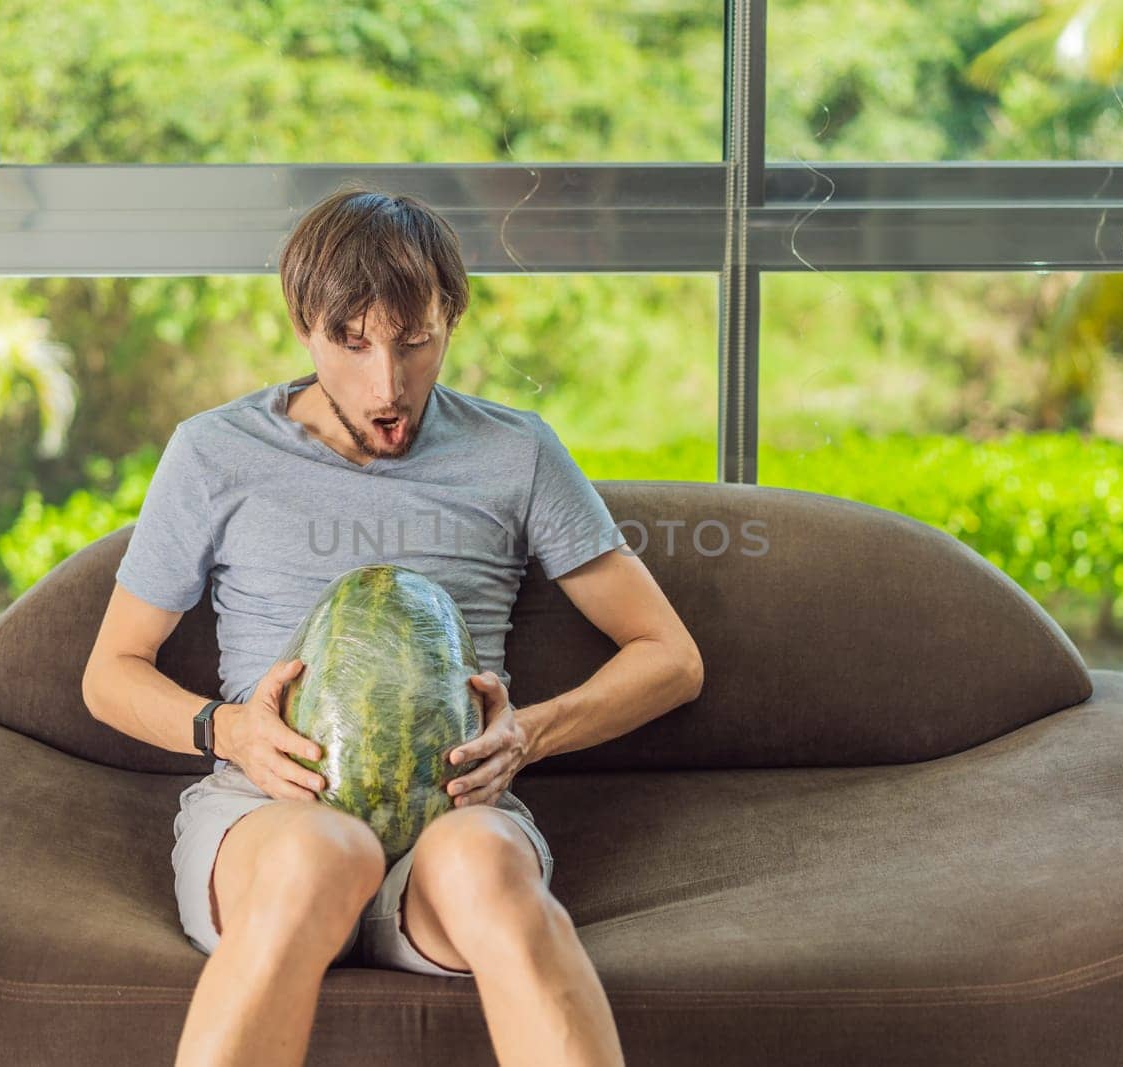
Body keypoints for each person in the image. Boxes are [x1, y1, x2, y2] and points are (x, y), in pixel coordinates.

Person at [81, 185, 704, 1067]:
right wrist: (231, 732)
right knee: (321, 857)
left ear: (451, 317)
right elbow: (110, 671)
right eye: (353, 342)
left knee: (486, 864)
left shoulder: (515, 452)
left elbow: (671, 657)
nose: (389, 384)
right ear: (305, 323)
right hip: (271, 819)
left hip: (453, 820)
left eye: (417, 343)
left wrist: (527, 734)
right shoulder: (214, 452)